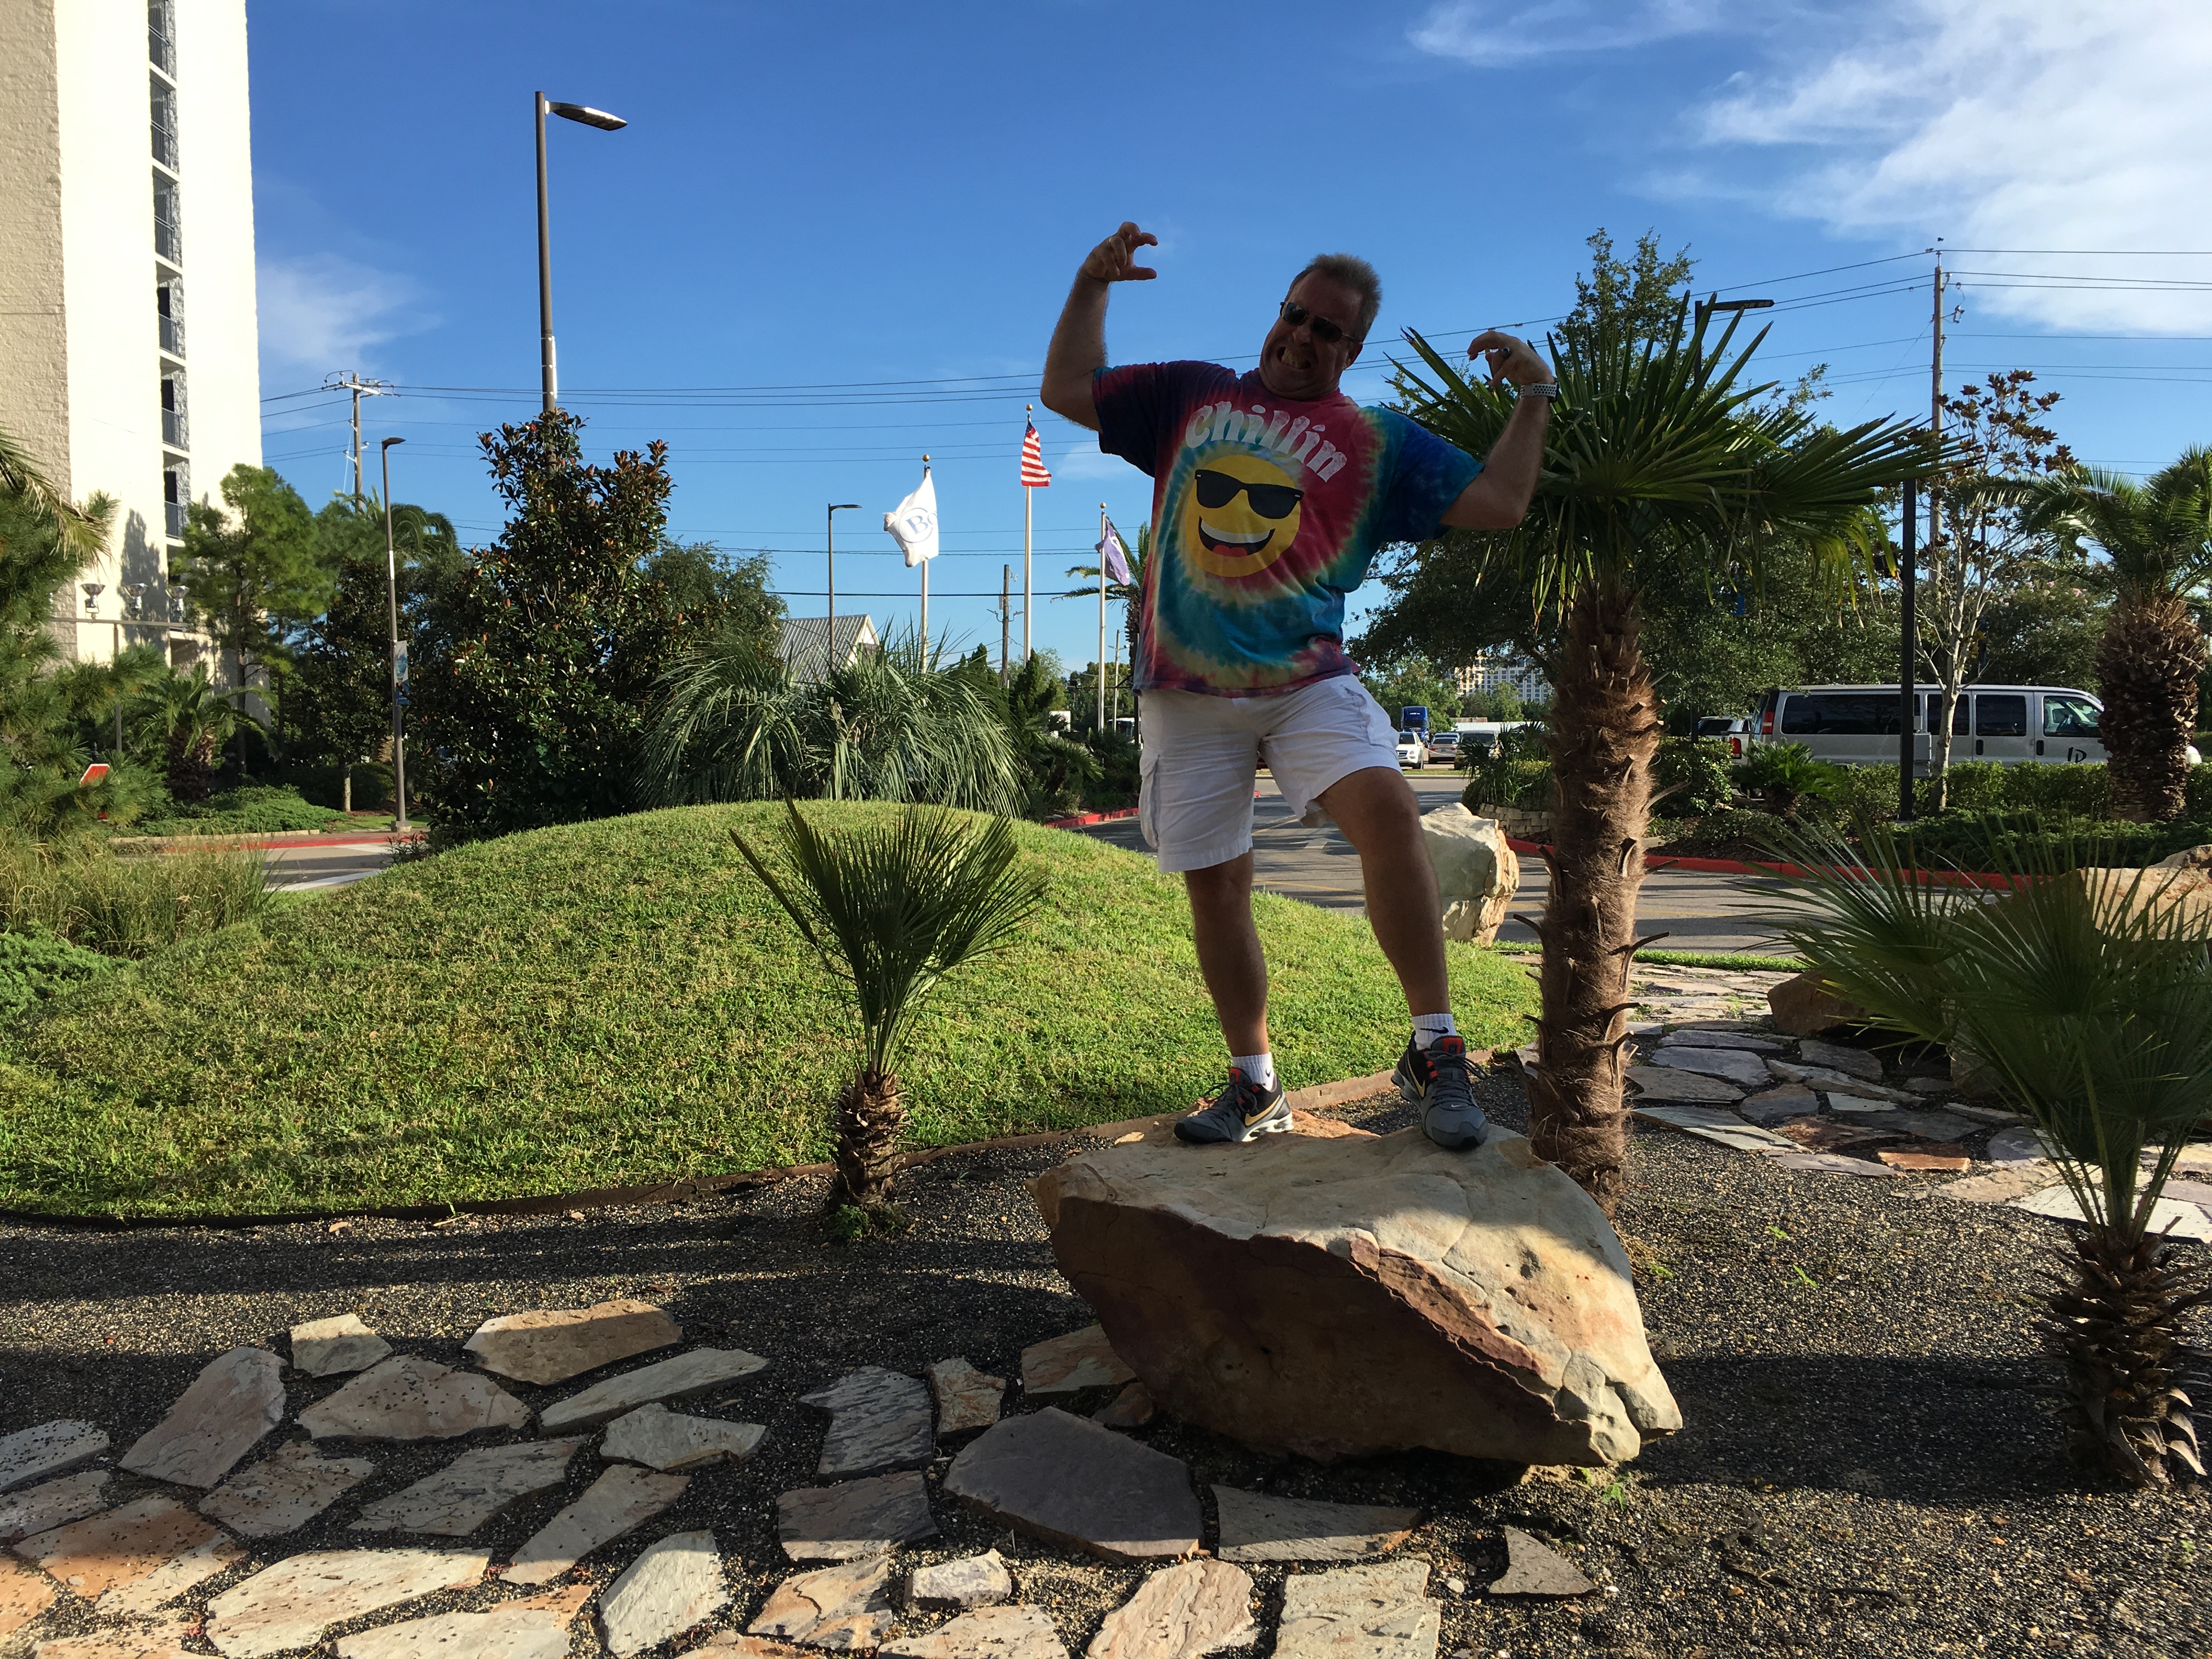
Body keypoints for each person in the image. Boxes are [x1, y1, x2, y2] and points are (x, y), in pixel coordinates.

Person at [1039, 222, 1554, 1150]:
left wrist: (1536, 396)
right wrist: (1091, 285)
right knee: (1218, 887)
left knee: (1389, 811)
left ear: (1351, 350)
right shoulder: (1192, 394)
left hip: (1306, 678)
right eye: (1294, 314)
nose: (1301, 336)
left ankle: (1435, 1048)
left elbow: (1502, 503)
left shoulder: (1375, 441)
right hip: (1186, 688)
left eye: (1326, 330)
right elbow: (1067, 390)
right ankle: (1255, 1084)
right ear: (1278, 314)